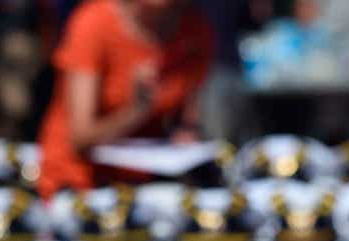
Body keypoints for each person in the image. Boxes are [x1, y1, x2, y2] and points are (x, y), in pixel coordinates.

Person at [37, 0, 215, 195]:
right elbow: (80, 138)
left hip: (144, 182)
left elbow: (187, 118)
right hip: (79, 183)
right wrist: (136, 110)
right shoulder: (94, 22)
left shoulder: (195, 30)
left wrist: (186, 135)